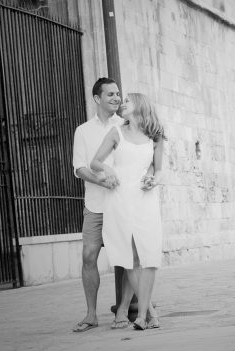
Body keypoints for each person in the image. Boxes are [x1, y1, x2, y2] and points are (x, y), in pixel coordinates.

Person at [91, 92, 165, 330]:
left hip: (145, 198)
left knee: (150, 254)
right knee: (131, 257)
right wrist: (107, 170)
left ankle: (146, 314)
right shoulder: (116, 133)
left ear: (140, 105)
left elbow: (158, 169)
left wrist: (153, 179)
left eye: (127, 101)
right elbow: (95, 162)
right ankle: (146, 315)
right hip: (120, 199)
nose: (122, 104)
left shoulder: (155, 136)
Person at [72, 78, 136, 332]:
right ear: (97, 98)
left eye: (118, 93)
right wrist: (102, 179)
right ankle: (91, 314)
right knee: (89, 256)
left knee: (124, 258)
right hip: (95, 204)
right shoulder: (83, 131)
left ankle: (122, 310)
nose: (116, 98)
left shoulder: (125, 126)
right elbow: (80, 168)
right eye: (110, 94)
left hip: (121, 203)